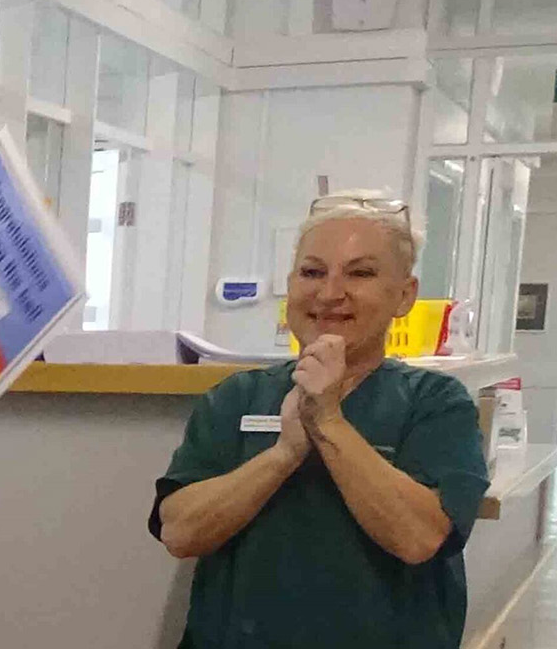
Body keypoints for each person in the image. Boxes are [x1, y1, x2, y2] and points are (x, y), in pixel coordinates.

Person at [150, 190, 490, 648]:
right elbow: (180, 531)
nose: (330, 294)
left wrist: (328, 422)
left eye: (361, 273)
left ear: (404, 295)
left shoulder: (435, 404)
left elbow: (419, 537)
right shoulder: (237, 397)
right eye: (312, 272)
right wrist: (284, 454)